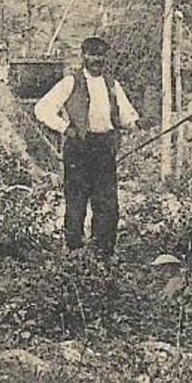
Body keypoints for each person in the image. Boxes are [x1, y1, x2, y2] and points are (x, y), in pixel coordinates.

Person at [33, 36, 141, 257]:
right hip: (79, 147)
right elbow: (42, 109)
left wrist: (133, 123)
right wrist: (65, 128)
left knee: (107, 202)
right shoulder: (71, 82)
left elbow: (126, 114)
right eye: (92, 54)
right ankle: (74, 250)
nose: (96, 59)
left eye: (101, 55)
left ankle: (102, 251)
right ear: (83, 56)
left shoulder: (112, 84)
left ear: (105, 57)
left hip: (104, 148)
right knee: (76, 199)